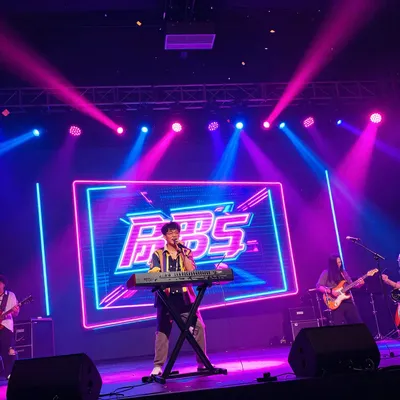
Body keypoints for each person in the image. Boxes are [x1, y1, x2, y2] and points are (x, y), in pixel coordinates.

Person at [148, 222, 207, 376]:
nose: (174, 235)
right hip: (166, 299)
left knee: (199, 327)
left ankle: (202, 363)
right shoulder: (158, 254)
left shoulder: (186, 251)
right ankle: (158, 366)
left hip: (185, 298)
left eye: (176, 232)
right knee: (162, 331)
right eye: (170, 233)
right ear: (164, 236)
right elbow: (154, 273)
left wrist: (182, 253)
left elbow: (191, 271)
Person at [316, 255, 364, 325]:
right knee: (338, 325)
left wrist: (359, 284)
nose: (340, 264)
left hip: (347, 301)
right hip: (335, 302)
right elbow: (319, 286)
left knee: (357, 323)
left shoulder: (343, 273)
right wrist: (331, 291)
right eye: (338, 263)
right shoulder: (326, 273)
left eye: (340, 262)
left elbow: (351, 285)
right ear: (333, 264)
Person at [0, 275, 19, 379]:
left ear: (3, 284)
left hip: (6, 327)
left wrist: (15, 311)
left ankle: (10, 375)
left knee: (8, 352)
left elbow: (16, 314)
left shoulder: (10, 295)